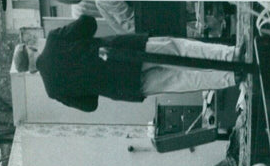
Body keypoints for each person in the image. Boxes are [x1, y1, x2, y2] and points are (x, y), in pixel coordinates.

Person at [17, 13, 251, 113]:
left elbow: (89, 106)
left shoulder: (52, 90)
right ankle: (230, 57)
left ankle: (231, 77)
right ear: (29, 47)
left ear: (29, 71)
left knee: (181, 80)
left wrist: (93, 82)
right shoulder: (54, 40)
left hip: (123, 86)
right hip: (125, 52)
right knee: (178, 51)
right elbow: (89, 23)